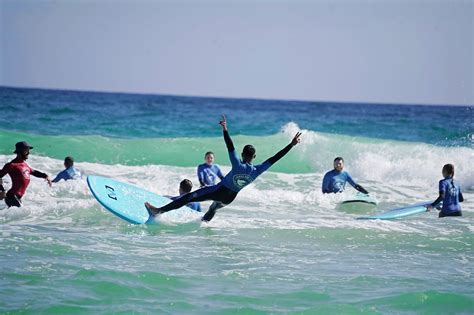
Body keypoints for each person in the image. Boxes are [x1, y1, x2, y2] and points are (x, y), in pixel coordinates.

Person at [145, 115, 302, 222]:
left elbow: (230, 145)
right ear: (254, 157)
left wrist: (225, 129)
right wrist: (291, 145)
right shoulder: (256, 171)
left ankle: (158, 211)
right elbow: (275, 158)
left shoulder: (237, 163)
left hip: (219, 190)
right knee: (213, 208)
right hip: (230, 198)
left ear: (242, 154)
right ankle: (203, 224)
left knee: (189, 197)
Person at [0, 141, 52, 207]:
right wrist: (2, 190)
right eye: (26, 150)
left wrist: (45, 176)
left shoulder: (25, 165)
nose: (29, 153)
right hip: (11, 197)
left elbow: (34, 172)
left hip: (17, 198)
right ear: (19, 151)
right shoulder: (11, 165)